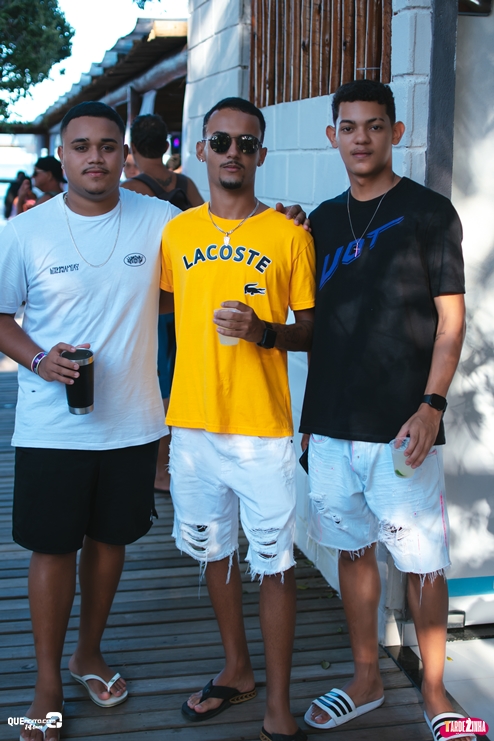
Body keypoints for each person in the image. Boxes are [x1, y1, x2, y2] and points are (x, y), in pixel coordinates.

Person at [0, 101, 180, 741]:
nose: (95, 157)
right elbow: (1, 317)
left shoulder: (161, 219)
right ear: (64, 155)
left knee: (110, 541)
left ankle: (88, 654)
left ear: (124, 154)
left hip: (133, 419)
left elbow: (205, 262)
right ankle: (47, 682)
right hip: (52, 424)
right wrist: (39, 359)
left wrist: (283, 218)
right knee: (53, 548)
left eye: (108, 146)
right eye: (81, 147)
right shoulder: (25, 231)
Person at [299, 80, 469, 741]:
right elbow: (315, 324)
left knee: (424, 562)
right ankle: (366, 677)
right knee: (352, 551)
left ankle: (435, 690)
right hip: (332, 425)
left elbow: (451, 320)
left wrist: (431, 405)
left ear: (395, 133)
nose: (361, 138)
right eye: (349, 127)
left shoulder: (430, 212)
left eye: (375, 126)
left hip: (404, 427)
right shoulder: (318, 221)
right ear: (332, 136)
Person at [160, 97, 316, 741]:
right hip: (193, 426)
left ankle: (278, 704)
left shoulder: (289, 234)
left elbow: (312, 330)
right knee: (215, 552)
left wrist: (263, 331)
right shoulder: (176, 233)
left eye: (246, 143)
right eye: (220, 141)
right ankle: (236, 668)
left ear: (262, 154)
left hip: (261, 428)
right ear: (201, 149)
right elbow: (158, 312)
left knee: (275, 562)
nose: (233, 152)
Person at [123, 113, 204, 493]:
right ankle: (169, 468)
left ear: (133, 149)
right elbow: (205, 229)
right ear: (166, 145)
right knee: (177, 381)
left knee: (153, 387)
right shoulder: (185, 184)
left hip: (153, 302)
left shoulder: (131, 189)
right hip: (184, 300)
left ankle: (158, 471)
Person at [122, 113, 203, 209]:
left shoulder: (128, 190)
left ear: (133, 147)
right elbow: (206, 216)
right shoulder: (187, 184)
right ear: (166, 147)